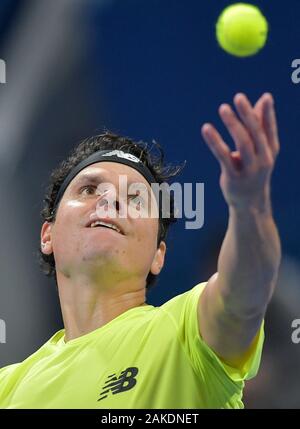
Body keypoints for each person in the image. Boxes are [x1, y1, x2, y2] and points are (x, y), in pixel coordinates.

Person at [0, 92, 281, 409]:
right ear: (47, 235)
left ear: (157, 255)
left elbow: (243, 295)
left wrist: (250, 208)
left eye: (135, 198)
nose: (110, 201)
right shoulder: (7, 388)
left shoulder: (187, 332)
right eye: (89, 189)